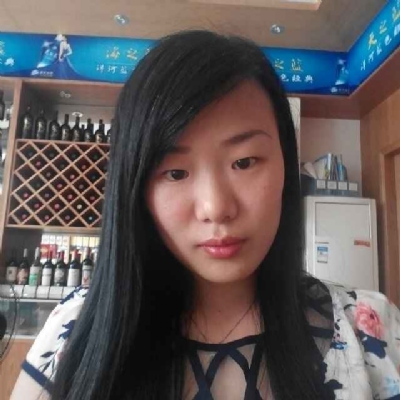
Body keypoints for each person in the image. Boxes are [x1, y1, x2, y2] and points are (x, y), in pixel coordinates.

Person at [12, 30, 400, 400]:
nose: (216, 208)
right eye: (175, 173)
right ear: (135, 188)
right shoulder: (75, 331)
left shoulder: (369, 331)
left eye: (244, 162)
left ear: (286, 164)